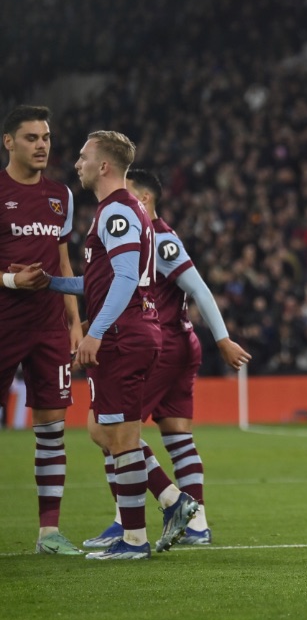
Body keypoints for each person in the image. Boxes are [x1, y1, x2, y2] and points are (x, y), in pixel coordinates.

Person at [15, 131, 198, 560]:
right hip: (133, 329)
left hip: (122, 333)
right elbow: (100, 281)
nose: (75, 163)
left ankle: (135, 539)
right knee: (108, 431)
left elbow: (126, 279)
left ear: (103, 166)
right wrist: (52, 283)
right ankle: (171, 501)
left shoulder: (117, 210)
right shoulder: (119, 211)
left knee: (120, 437)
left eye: (82, 156)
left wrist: (96, 332)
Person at [80, 169, 251, 550]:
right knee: (177, 437)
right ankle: (197, 526)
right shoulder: (145, 236)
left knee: (108, 430)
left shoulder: (158, 238)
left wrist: (222, 338)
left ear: (143, 198)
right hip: (177, 343)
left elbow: (201, 290)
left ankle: (140, 515)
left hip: (163, 343)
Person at [1, 105, 84, 555]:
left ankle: (48, 533)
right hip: (4, 320)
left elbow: (63, 262)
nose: (41, 145)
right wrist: (12, 280)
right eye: (31, 137)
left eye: (46, 137)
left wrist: (74, 323)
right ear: (9, 142)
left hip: (50, 325)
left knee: (52, 428)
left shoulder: (61, 196)